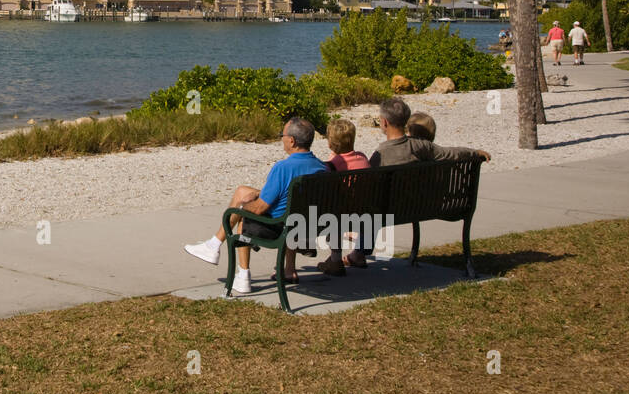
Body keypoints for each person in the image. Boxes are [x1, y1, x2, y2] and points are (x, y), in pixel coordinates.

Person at [183, 117, 329, 295]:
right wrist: (255, 193)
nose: (281, 138)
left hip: (281, 227)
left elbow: (260, 209)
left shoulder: (283, 168)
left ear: (292, 141)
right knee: (243, 190)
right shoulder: (321, 167)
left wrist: (243, 204)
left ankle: (242, 275)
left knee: (243, 210)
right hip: (305, 226)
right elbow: (292, 193)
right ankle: (214, 246)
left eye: (282, 135)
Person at [343, 97, 491, 269]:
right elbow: (450, 153)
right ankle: (359, 250)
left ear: (384, 123)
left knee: (371, 206)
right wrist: (475, 153)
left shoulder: (381, 154)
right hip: (425, 206)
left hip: (391, 210)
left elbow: (368, 188)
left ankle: (358, 253)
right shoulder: (421, 146)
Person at [315, 118, 370, 277]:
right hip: (364, 212)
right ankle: (355, 255)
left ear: (330, 143)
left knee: (333, 211)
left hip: (340, 216)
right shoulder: (362, 158)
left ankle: (336, 259)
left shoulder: (331, 165)